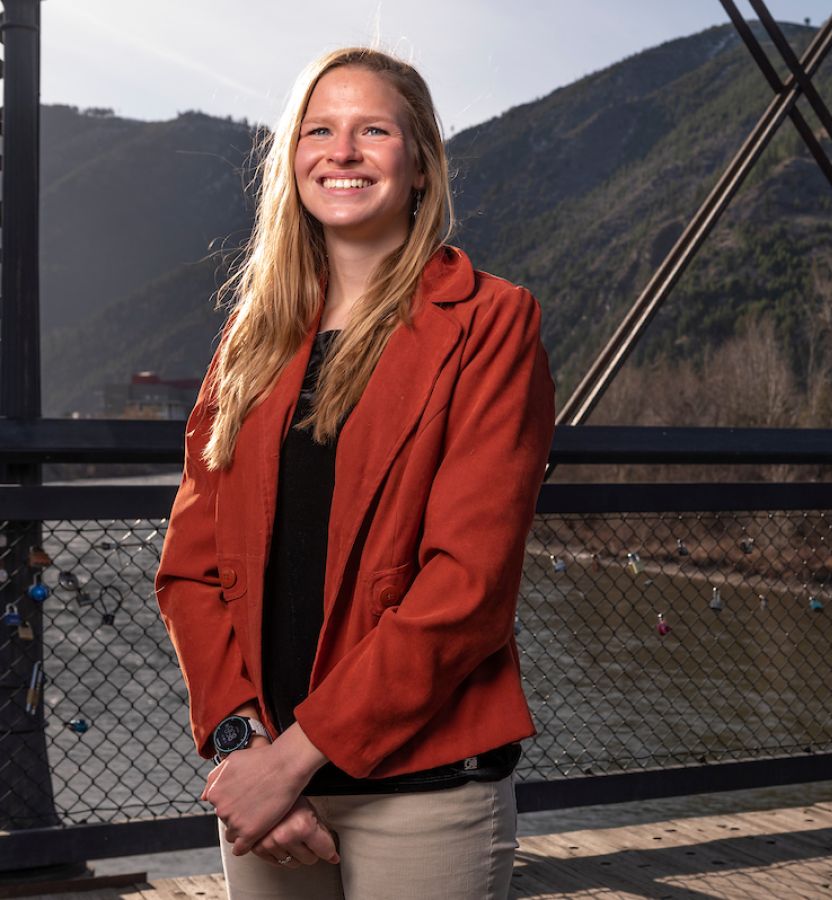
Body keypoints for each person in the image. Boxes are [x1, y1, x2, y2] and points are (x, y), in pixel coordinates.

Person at [154, 46, 556, 899]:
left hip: (424, 791)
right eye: (319, 130)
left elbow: (469, 587)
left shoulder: (491, 322)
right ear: (292, 161)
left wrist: (290, 759)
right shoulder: (250, 340)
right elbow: (190, 569)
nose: (342, 151)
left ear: (420, 168)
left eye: (373, 130)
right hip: (265, 788)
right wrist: (243, 750)